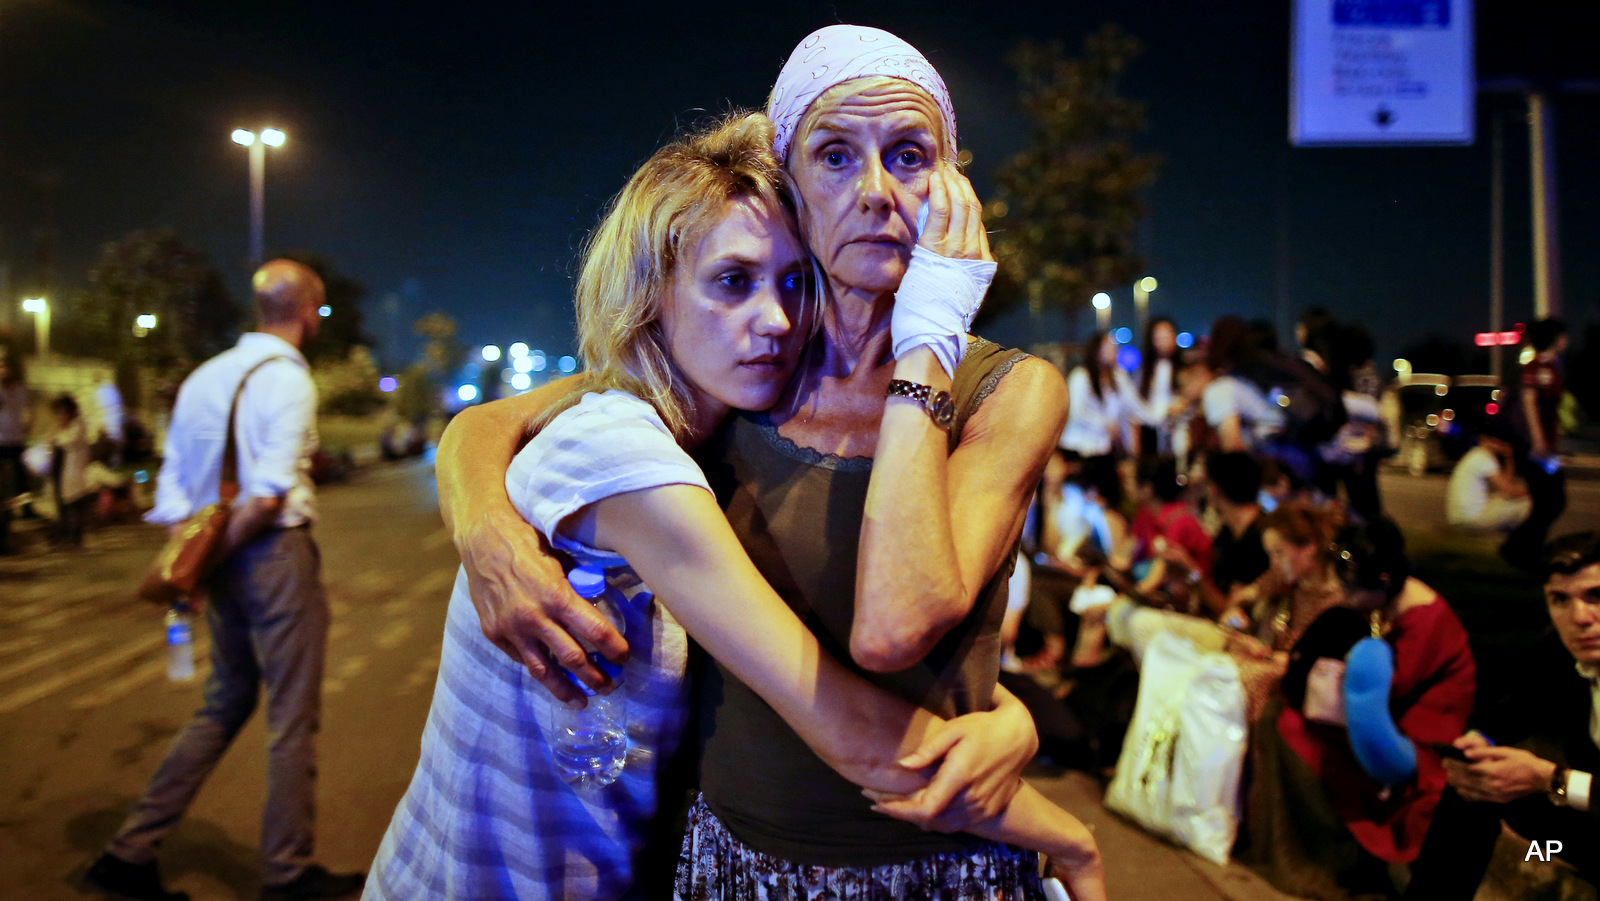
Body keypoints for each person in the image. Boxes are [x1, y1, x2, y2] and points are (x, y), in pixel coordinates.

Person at [432, 25, 1098, 900]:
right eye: (833, 157)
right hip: (735, 856)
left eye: (909, 155)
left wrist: (926, 344)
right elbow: (496, 421)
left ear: (953, 185)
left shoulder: (1005, 392)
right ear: (793, 188)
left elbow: (895, 626)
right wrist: (485, 531)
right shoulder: (750, 369)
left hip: (943, 859)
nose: (875, 193)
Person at [87, 260, 364, 901]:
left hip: (218, 561)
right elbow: (267, 494)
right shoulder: (289, 380)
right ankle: (287, 871)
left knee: (227, 699)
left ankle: (128, 851)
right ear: (309, 312)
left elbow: (173, 493)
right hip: (271, 555)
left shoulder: (204, 378)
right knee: (292, 716)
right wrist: (228, 548)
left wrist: (200, 560)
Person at [1239, 519, 1475, 900]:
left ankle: (1336, 858)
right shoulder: (1390, 602)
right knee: (1277, 716)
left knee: (1291, 728)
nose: (1338, 592)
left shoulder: (1422, 621)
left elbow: (1388, 693)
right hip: (1389, 724)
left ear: (1380, 581)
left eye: (1348, 587)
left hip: (1417, 742)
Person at [1405, 531, 1600, 897]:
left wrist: (1552, 779)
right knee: (1476, 786)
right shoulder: (1563, 649)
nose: (1579, 617)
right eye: (1560, 599)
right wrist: (1479, 742)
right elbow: (1516, 708)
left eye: (1596, 596)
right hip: (1586, 828)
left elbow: (1556, 781)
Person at [1502, 318, 1569, 570]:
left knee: (1550, 501)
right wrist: (1539, 441)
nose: (1566, 340)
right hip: (1533, 447)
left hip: (1545, 446)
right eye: (1562, 335)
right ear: (1554, 337)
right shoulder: (1536, 366)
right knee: (1551, 500)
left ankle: (1524, 550)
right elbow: (1529, 403)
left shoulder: (1553, 365)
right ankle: (1519, 550)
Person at [1202, 451, 1270, 619]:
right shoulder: (1228, 533)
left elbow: (1231, 609)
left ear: (1214, 490)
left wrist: (1191, 572)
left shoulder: (1261, 538)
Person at [1061, 329, 1133, 458]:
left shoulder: (1118, 377)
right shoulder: (1081, 376)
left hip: (1104, 448)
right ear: (1097, 350)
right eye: (1109, 347)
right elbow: (1077, 411)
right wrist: (1104, 425)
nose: (1114, 351)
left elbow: (1132, 405)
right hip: (1079, 447)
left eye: (1115, 348)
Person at [1446, 431, 1531, 532]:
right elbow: (1510, 490)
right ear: (1483, 441)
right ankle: (1523, 541)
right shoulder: (1483, 457)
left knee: (1505, 499)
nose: (1498, 443)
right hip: (1470, 519)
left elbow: (1506, 484)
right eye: (1495, 441)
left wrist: (1509, 457)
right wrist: (1534, 492)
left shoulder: (1476, 455)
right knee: (1526, 504)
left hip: (1460, 518)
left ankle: (1510, 534)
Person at [1128, 317, 1180, 455]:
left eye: (1167, 336)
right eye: (1159, 337)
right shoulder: (1144, 371)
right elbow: (1137, 407)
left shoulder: (1184, 369)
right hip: (1150, 432)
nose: (1163, 341)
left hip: (1177, 433)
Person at [48, 393, 91, 549]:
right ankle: (67, 537)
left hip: (72, 472)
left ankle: (75, 538)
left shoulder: (78, 426)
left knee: (74, 506)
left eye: (62, 412)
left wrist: (60, 431)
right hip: (62, 471)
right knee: (64, 505)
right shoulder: (68, 427)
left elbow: (67, 441)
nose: (60, 416)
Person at [0, 353, 33, 553]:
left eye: (5, 367)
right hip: (1, 440)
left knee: (22, 479)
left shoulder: (20, 391)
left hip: (17, 439)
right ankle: (7, 509)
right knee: (3, 480)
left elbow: (29, 409)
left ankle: (26, 508)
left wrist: (27, 427)